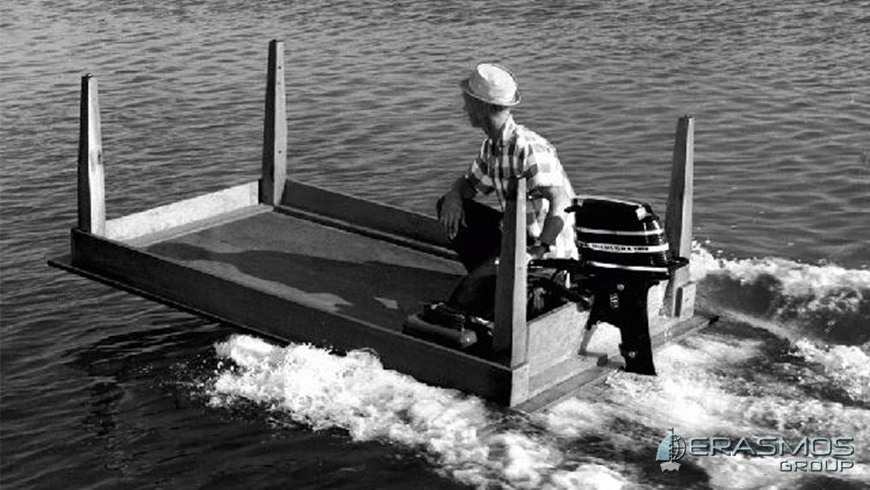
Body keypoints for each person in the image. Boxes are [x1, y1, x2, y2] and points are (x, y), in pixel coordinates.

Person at [437, 63, 578, 319]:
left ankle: (490, 281)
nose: (463, 108)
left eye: (467, 101)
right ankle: (488, 274)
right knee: (444, 205)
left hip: (545, 256)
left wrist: (538, 251)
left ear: (482, 106)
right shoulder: (492, 146)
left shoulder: (528, 147)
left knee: (463, 300)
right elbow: (469, 185)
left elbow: (561, 201)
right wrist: (454, 195)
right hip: (517, 241)